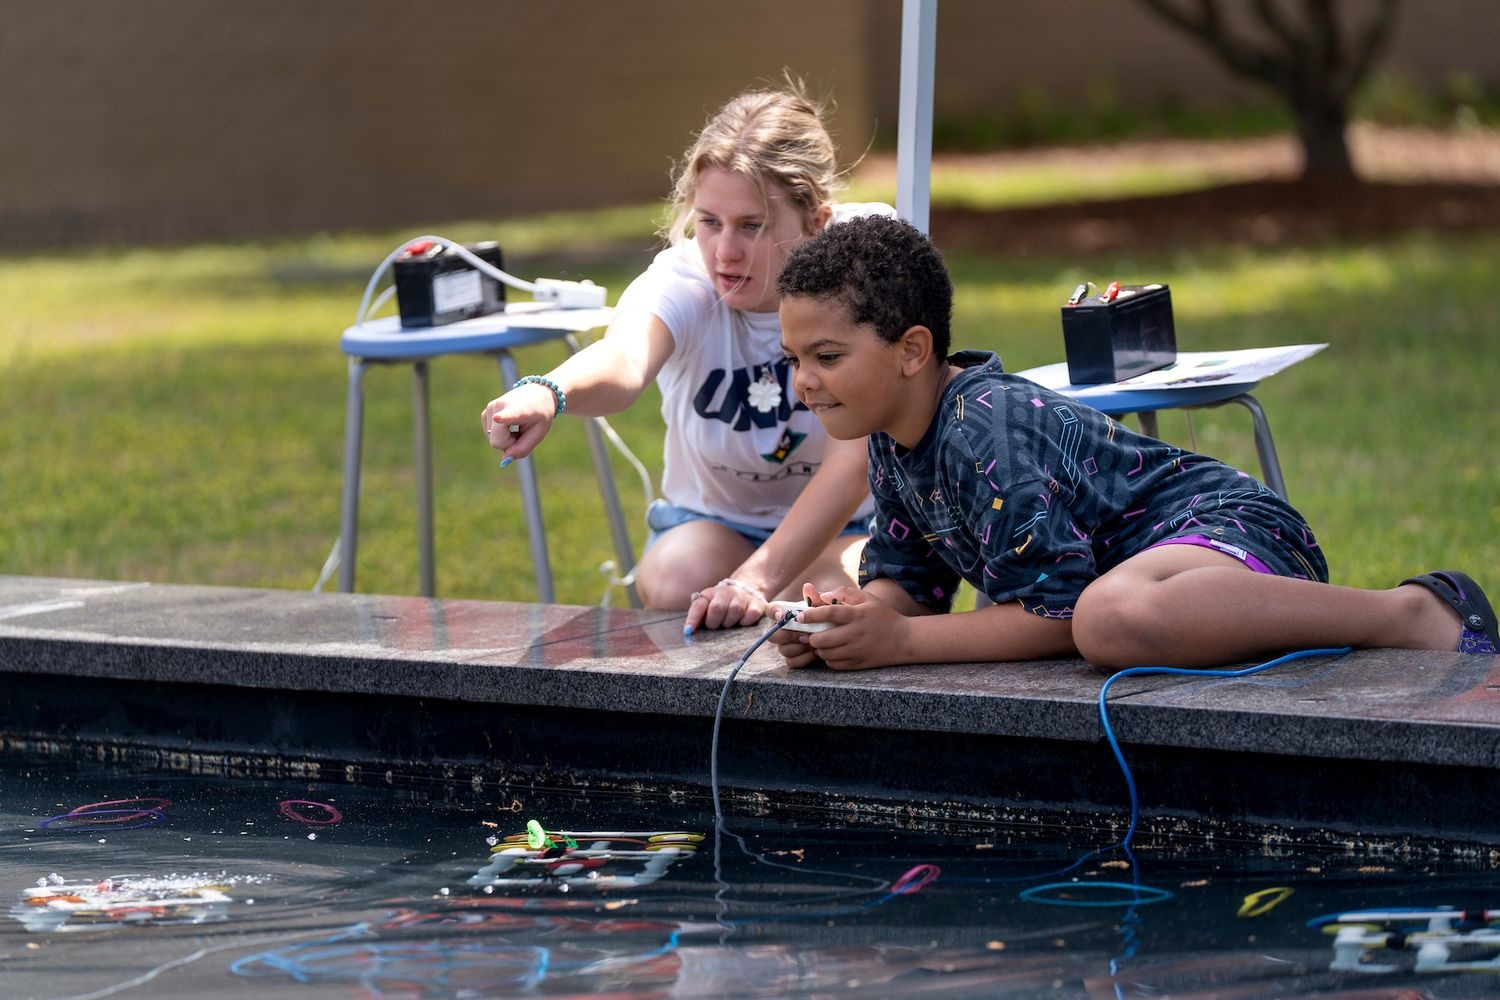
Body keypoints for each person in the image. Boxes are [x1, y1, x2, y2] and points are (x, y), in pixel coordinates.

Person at [768, 214, 1499, 670]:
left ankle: (1410, 611)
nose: (805, 381)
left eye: (827, 357)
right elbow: (915, 593)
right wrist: (846, 625)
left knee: (1106, 620)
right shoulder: (892, 442)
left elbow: (1058, 615)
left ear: (912, 349)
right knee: (1110, 615)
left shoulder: (983, 428)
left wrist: (900, 645)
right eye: (793, 359)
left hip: (1229, 538)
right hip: (1148, 586)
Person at [481, 82, 893, 634]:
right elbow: (625, 359)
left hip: (851, 522)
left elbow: (857, 464)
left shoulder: (869, 261)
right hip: (714, 522)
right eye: (709, 222)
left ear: (816, 222)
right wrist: (546, 393)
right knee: (680, 583)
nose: (725, 251)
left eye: (752, 226)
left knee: (829, 603)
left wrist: (756, 580)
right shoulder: (683, 279)